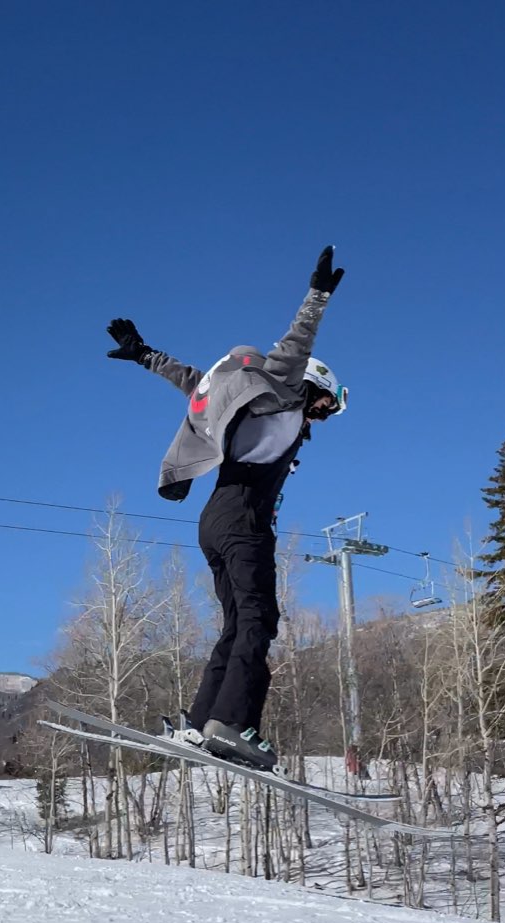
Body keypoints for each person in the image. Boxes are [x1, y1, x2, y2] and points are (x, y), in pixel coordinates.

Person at [106, 246, 346, 772]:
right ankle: (234, 724)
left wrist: (145, 354)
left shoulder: (235, 398)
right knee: (259, 619)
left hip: (213, 520)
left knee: (236, 625)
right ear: (313, 387)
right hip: (243, 522)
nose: (324, 417)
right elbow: (295, 343)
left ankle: (200, 723)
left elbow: (193, 380)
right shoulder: (283, 392)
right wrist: (318, 296)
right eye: (329, 404)